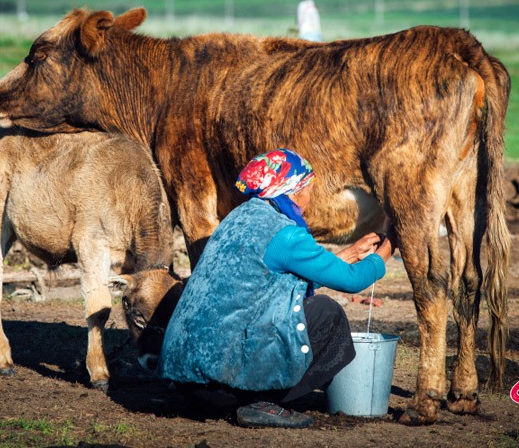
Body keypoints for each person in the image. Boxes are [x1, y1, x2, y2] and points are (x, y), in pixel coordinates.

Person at [158, 149, 393, 429]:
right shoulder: (285, 234)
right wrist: (392, 242)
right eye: (307, 190)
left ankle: (248, 395)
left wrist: (353, 252)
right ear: (293, 191)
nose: (309, 199)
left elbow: (286, 274)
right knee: (326, 314)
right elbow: (353, 281)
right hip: (220, 385)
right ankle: (261, 401)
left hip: (188, 377)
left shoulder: (238, 218)